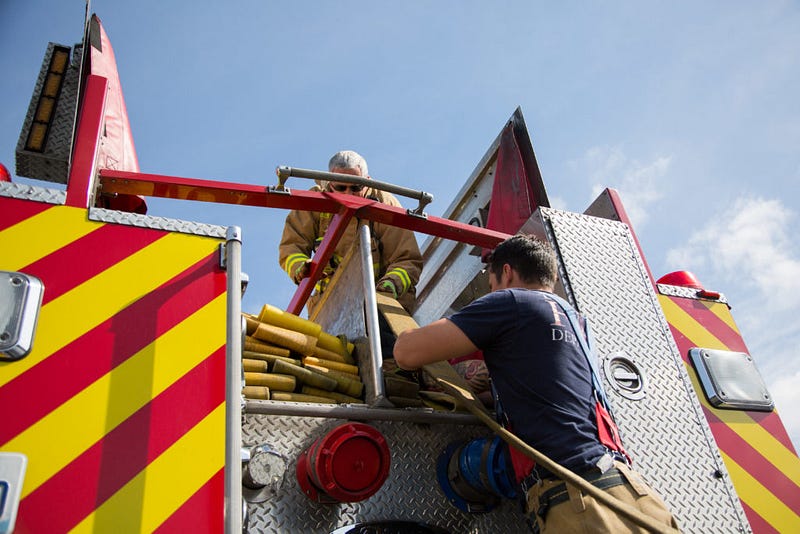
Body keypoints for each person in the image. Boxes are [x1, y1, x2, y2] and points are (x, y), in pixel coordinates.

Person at [393, 234, 679, 533]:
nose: (491, 293)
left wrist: (398, 332)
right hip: (632, 496)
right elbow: (543, 390)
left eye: (490, 287)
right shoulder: (576, 321)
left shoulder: (511, 301)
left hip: (580, 506)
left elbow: (406, 353)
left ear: (506, 273)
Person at [279, 150, 423, 316]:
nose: (349, 194)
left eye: (356, 187)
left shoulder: (385, 203)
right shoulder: (314, 202)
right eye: (341, 187)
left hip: (381, 309)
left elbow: (407, 259)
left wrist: (390, 287)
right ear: (329, 182)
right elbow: (291, 247)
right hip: (329, 311)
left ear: (367, 182)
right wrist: (301, 267)